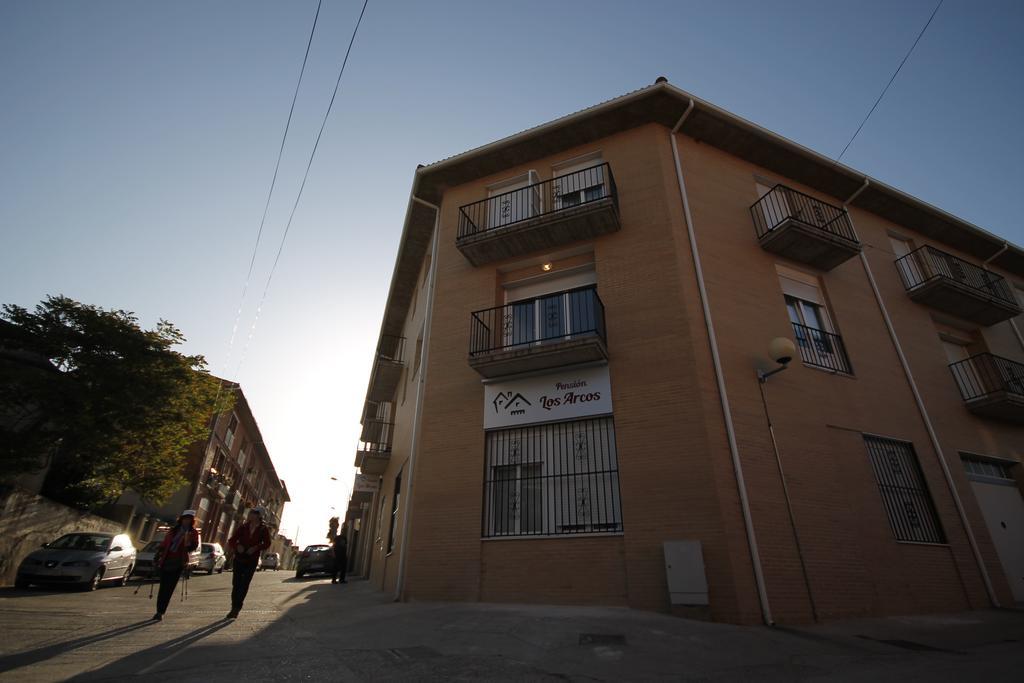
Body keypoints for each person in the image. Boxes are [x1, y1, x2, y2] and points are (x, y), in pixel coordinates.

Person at [152, 510, 200, 621]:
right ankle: (159, 610)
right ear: (181, 519)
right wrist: (158, 553)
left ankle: (161, 611)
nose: (186, 521)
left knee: (170, 587)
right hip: (166, 560)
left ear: (191, 521)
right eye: (185, 519)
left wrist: (188, 543)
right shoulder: (173, 530)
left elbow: (193, 547)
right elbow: (165, 543)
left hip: (179, 562)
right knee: (163, 587)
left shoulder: (193, 533)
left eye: (189, 520)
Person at [226, 506, 271, 619]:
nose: (251, 514)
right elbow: (232, 540)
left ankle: (236, 609)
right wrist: (237, 546)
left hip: (251, 560)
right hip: (239, 559)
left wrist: (256, 548)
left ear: (259, 516)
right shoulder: (243, 527)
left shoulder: (263, 529)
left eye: (254, 513)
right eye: (251, 512)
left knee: (244, 584)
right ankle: (233, 606)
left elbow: (267, 543)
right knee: (236, 584)